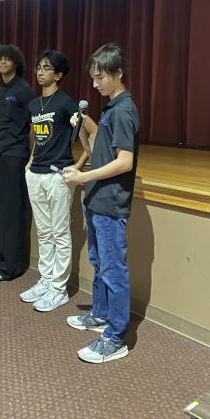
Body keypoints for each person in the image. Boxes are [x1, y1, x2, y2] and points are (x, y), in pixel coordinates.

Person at [63, 43, 140, 363]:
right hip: (97, 200)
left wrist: (82, 179)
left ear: (118, 73)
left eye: (100, 78)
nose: (95, 84)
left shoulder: (124, 110)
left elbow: (124, 162)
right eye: (93, 78)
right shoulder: (110, 108)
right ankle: (102, 314)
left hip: (110, 204)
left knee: (112, 268)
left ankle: (116, 336)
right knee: (99, 262)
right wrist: (82, 129)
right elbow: (97, 154)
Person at [20, 50, 87, 312]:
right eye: (38, 67)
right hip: (35, 174)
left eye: (46, 68)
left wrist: (76, 168)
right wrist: (30, 161)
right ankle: (46, 280)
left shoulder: (66, 103)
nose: (40, 71)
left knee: (60, 233)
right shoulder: (34, 105)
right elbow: (35, 135)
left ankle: (58, 288)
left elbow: (89, 132)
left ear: (58, 75)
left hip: (57, 175)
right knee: (44, 231)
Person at [0, 45, 36, 281]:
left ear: (15, 63)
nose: (3, 62)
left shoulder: (24, 90)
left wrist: (32, 157)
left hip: (16, 154)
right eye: (0, 59)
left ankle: (11, 264)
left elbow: (34, 126)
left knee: (11, 211)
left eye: (7, 59)